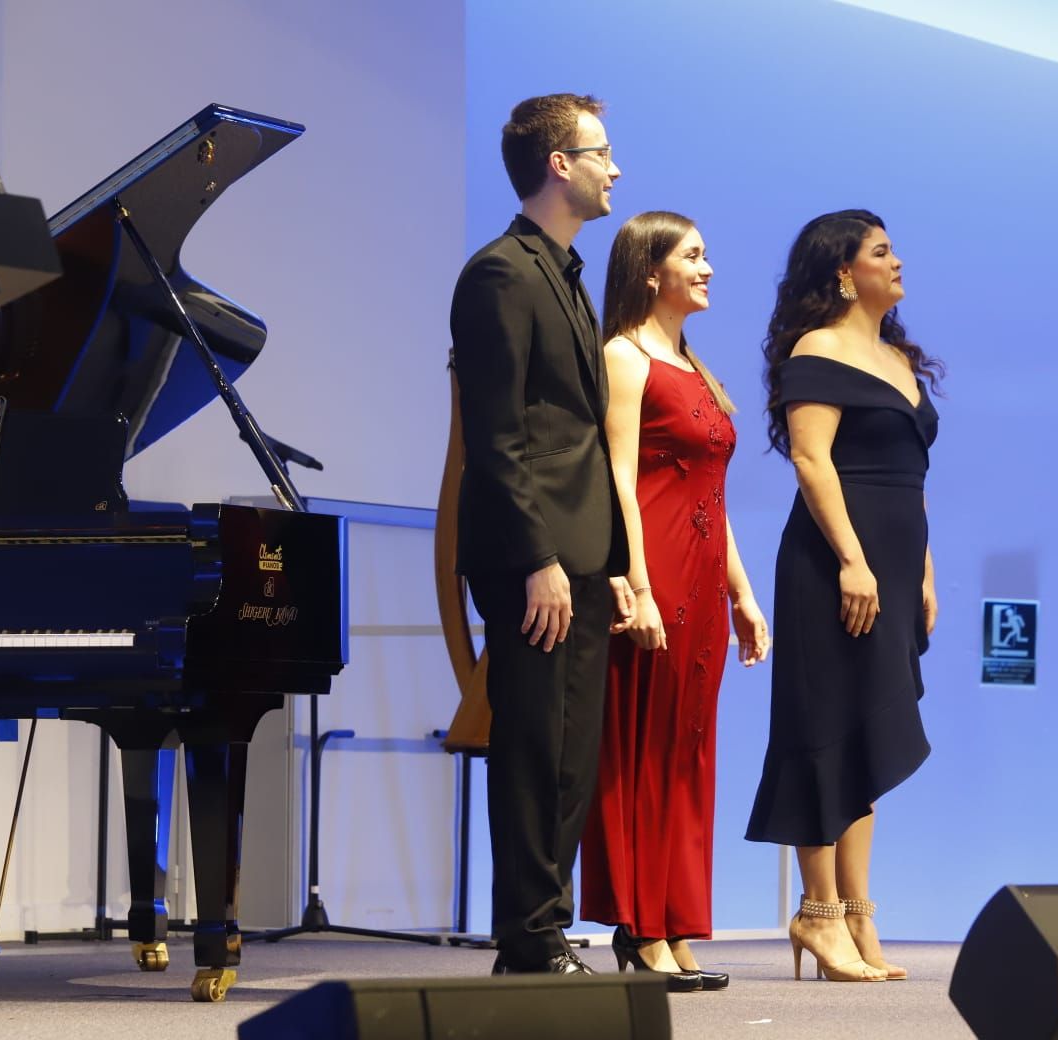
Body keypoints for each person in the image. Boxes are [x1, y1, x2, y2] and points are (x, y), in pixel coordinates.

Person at [449, 93, 635, 975]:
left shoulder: (562, 270)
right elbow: (497, 438)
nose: (615, 168)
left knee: (571, 746)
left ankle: (546, 924)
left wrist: (617, 562)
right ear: (558, 164)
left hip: (585, 549)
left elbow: (582, 430)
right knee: (530, 744)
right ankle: (525, 931)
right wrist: (538, 560)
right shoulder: (500, 274)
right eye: (602, 152)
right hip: (536, 555)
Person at [744, 210, 942, 983]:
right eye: (881, 252)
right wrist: (854, 562)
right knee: (823, 727)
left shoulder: (897, 357)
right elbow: (810, 459)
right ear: (841, 271)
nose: (897, 262)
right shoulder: (817, 348)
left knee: (867, 731)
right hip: (833, 563)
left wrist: (921, 572)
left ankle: (859, 912)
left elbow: (915, 481)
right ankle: (817, 912)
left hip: (892, 566)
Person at [580, 212, 770, 992]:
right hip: (653, 570)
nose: (709, 268)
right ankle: (640, 926)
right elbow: (618, 478)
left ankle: (677, 920)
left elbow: (713, 496)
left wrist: (743, 594)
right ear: (651, 271)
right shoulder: (624, 357)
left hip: (701, 574)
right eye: (694, 256)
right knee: (641, 749)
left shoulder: (693, 365)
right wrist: (638, 583)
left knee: (688, 749)